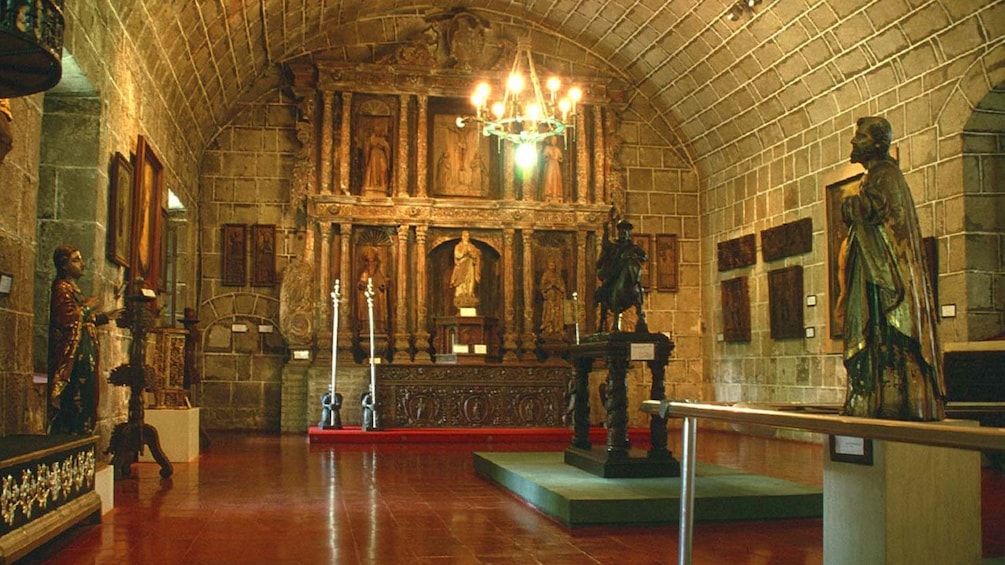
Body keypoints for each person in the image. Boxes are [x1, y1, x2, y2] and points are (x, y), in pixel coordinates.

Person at [834, 116, 945, 421]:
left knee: (889, 340)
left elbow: (874, 216)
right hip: (875, 276)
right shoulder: (876, 176)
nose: (855, 142)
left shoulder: (885, 176)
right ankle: (881, 400)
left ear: (879, 144)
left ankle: (895, 402)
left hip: (886, 281)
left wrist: (850, 206)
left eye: (861, 137)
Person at [48, 245, 119, 434]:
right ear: (63, 266)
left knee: (87, 397)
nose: (82, 264)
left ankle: (82, 435)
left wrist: (105, 317)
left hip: (84, 352)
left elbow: (85, 319)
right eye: (76, 260)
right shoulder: (61, 289)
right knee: (75, 398)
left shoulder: (73, 289)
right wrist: (87, 307)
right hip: (73, 355)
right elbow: (68, 318)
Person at [595, 219, 648, 332]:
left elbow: (644, 256)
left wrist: (638, 258)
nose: (623, 235)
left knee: (638, 287)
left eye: (625, 233)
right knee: (606, 286)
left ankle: (641, 313)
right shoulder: (615, 247)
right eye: (621, 233)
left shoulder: (633, 248)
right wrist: (605, 231)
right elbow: (605, 244)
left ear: (629, 235)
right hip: (615, 272)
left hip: (628, 273)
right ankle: (601, 298)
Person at [356, 248, 388, 334]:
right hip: (366, 298)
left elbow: (383, 284)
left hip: (377, 298)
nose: (371, 265)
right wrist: (361, 285)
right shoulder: (364, 274)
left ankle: (379, 328)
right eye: (369, 262)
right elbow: (360, 283)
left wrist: (382, 286)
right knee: (366, 313)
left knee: (378, 313)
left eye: (373, 262)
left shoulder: (378, 274)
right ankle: (366, 327)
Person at [450, 231, 481, 305]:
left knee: (470, 280)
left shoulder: (471, 246)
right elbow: (457, 255)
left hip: (470, 265)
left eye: (467, 236)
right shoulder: (458, 246)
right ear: (462, 236)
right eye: (465, 236)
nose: (466, 237)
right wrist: (464, 252)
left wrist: (472, 253)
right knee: (461, 282)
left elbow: (477, 255)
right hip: (461, 265)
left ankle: (469, 294)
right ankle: (461, 296)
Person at [539, 259, 566, 335]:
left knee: (558, 313)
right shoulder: (546, 275)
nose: (552, 267)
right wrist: (550, 286)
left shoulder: (558, 275)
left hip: (557, 299)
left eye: (553, 265)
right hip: (550, 298)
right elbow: (542, 287)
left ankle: (558, 328)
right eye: (550, 265)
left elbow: (562, 287)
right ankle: (548, 327)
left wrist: (558, 286)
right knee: (549, 313)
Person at [363, 126, 391, 193]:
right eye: (376, 131)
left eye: (379, 131)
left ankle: (382, 184)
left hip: (381, 155)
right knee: (374, 170)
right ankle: (373, 185)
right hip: (373, 156)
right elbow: (367, 149)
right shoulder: (371, 139)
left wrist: (388, 160)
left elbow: (387, 149)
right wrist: (366, 159)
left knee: (383, 169)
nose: (378, 132)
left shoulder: (383, 140)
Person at [542, 136, 564, 202]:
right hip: (550, 165)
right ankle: (548, 194)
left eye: (555, 140)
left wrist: (559, 159)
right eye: (552, 139)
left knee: (557, 179)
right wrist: (548, 158)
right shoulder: (547, 148)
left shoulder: (557, 149)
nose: (554, 141)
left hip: (556, 165)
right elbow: (544, 157)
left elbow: (561, 158)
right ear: (550, 140)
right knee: (549, 178)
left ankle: (557, 194)